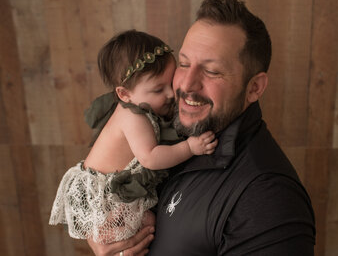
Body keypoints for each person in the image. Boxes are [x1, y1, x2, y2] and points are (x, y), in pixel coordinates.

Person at [89, 0, 316, 256]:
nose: (185, 85)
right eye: (184, 64)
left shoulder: (269, 199)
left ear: (254, 87)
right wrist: (109, 241)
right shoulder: (167, 129)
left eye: (212, 71)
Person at [49, 30, 218, 245]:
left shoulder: (139, 106)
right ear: (124, 94)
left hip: (110, 188)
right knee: (147, 222)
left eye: (170, 83)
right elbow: (150, 157)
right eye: (158, 89)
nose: (170, 94)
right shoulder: (132, 117)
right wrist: (190, 148)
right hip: (103, 194)